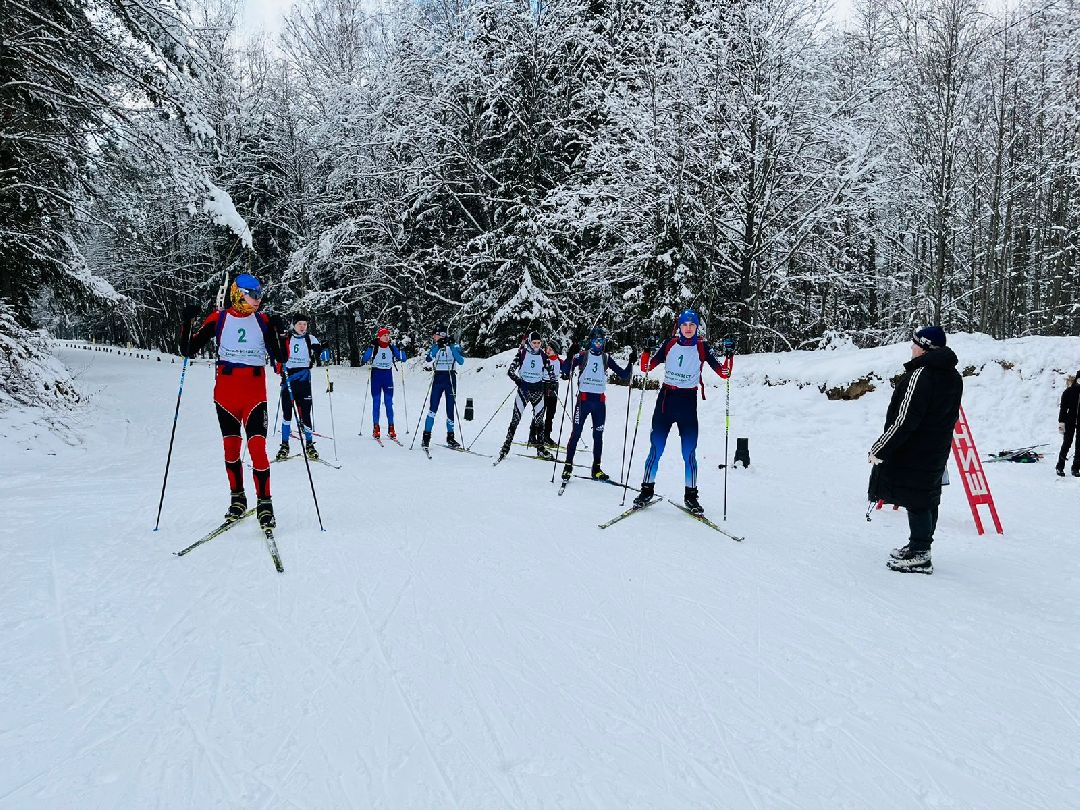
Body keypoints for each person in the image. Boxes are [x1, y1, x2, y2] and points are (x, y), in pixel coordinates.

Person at [179, 273, 284, 529]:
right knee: (231, 450)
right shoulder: (219, 318)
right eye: (252, 294)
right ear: (238, 293)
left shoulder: (263, 320)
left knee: (258, 448)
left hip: (254, 394)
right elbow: (188, 350)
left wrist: (279, 331)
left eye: (259, 295)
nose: (257, 300)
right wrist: (186, 322)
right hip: (226, 395)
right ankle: (237, 498)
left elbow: (280, 355)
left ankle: (265, 503)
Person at [868, 326, 963, 575]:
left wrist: (880, 448)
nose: (911, 348)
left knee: (918, 500)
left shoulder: (921, 374)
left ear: (924, 347)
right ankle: (918, 547)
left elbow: (904, 419)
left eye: (914, 344)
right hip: (936, 448)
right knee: (928, 496)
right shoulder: (953, 376)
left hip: (915, 449)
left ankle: (920, 555)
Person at [632, 309, 731, 514]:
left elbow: (724, 373)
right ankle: (646, 490)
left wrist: (730, 355)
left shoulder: (702, 347)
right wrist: (646, 350)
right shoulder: (669, 344)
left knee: (689, 452)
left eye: (692, 325)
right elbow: (646, 367)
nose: (688, 328)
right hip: (666, 401)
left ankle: (691, 496)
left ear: (696, 327)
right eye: (684, 325)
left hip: (687, 402)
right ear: (679, 326)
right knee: (656, 448)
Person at [561, 327, 634, 482]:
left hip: (599, 403)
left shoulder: (606, 358)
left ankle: (596, 468)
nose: (599, 344)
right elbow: (565, 371)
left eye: (601, 341)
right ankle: (568, 465)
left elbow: (624, 375)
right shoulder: (583, 355)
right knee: (576, 433)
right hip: (584, 401)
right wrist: (569, 355)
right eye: (596, 340)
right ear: (591, 341)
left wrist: (631, 362)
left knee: (598, 436)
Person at [497, 332, 557, 462]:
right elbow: (510, 370)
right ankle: (506, 446)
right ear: (530, 342)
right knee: (515, 419)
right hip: (523, 391)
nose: (536, 345)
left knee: (539, 421)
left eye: (538, 343)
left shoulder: (543, 355)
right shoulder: (522, 353)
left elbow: (550, 371)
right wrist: (517, 380)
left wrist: (552, 382)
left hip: (538, 392)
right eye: (534, 342)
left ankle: (540, 448)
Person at [274, 313, 322, 461]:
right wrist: (280, 367)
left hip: (304, 379)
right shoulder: (287, 337)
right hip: (289, 379)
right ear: (294, 324)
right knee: (287, 413)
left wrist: (322, 351)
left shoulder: (310, 339)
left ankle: (309, 444)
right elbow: (277, 357)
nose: (303, 327)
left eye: (305, 324)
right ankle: (284, 445)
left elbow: (319, 350)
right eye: (300, 324)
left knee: (306, 413)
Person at [360, 327, 407, 440]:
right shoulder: (375, 347)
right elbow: (364, 359)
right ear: (379, 336)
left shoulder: (391, 347)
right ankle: (376, 427)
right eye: (384, 335)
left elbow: (403, 359)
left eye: (388, 335)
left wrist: (401, 350)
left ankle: (391, 427)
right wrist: (370, 348)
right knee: (376, 402)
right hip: (376, 376)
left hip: (387, 377)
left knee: (389, 403)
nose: (387, 337)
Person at [423, 329, 465, 449]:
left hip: (450, 377)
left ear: (441, 335)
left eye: (435, 335)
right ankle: (426, 437)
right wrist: (437, 347)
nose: (433, 337)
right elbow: (428, 359)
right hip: (438, 378)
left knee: (450, 408)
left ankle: (450, 438)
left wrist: (451, 346)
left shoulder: (454, 345)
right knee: (433, 407)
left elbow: (461, 361)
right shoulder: (435, 346)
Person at [1056, 371, 1079, 477]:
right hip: (1069, 422)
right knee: (1067, 444)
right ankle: (1060, 467)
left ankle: (1075, 468)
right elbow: (1063, 409)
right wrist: (1061, 423)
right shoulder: (1068, 392)